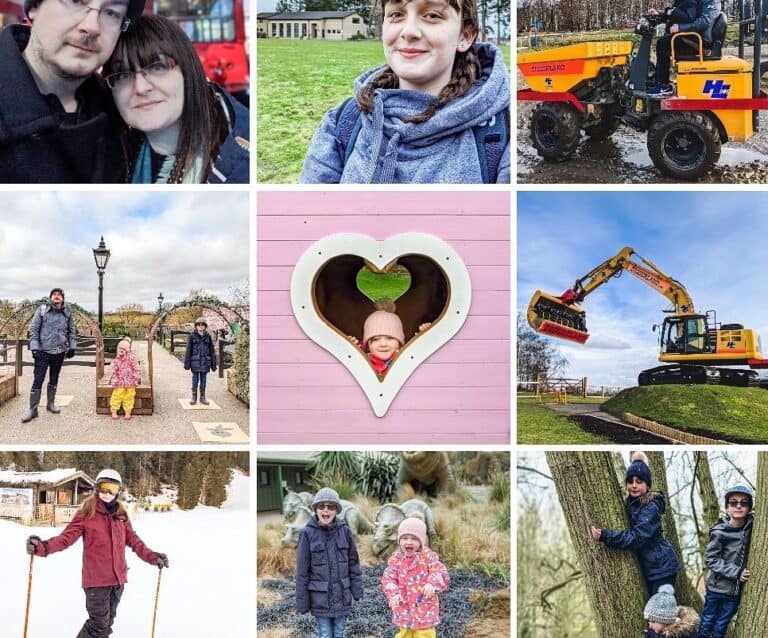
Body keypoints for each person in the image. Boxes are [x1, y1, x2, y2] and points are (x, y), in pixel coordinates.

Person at [299, 0, 510, 184]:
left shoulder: (502, 132)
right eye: (396, 14)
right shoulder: (341, 123)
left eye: (432, 15)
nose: (409, 31)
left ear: (465, 35)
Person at [0, 0, 145, 182]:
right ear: (35, 7)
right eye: (75, 2)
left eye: (112, 13)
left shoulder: (126, 121)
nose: (91, 27)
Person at [103, 14, 249, 183]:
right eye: (122, 75)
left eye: (157, 67)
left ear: (188, 71)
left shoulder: (246, 167)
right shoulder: (106, 160)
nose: (141, 87)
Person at [26, 469, 168, 638]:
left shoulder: (121, 515)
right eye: (104, 488)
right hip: (96, 582)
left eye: (112, 489)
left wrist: (153, 557)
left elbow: (134, 541)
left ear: (118, 491)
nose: (107, 493)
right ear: (97, 488)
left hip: (118, 582)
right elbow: (66, 538)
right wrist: (42, 547)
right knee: (98, 626)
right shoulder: (86, 513)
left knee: (106, 625)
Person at [590, 451, 680, 595]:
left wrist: (606, 536)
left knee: (660, 613)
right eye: (630, 481)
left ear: (647, 485)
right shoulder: (633, 504)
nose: (634, 486)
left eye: (639, 482)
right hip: (651, 568)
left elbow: (637, 538)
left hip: (661, 570)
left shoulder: (651, 507)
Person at [295, 487, 363, 638]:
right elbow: (302, 571)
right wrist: (302, 601)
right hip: (320, 598)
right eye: (321, 506)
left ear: (337, 510)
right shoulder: (307, 534)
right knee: (325, 634)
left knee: (339, 632)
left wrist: (357, 590)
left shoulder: (344, 531)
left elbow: (353, 563)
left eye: (330, 507)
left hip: (342, 596)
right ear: (316, 509)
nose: (326, 510)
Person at [699, 485, 754, 638]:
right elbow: (711, 559)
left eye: (744, 503)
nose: (738, 506)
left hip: (735, 592)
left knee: (720, 626)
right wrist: (736, 572)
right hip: (716, 589)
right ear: (727, 508)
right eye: (733, 502)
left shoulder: (752, 528)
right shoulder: (719, 531)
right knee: (707, 623)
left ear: (749, 508)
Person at [381, 516, 450, 638]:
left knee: (425, 635)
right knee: (404, 635)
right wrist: (393, 593)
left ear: (421, 541)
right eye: (404, 538)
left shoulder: (428, 557)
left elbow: (441, 573)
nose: (409, 542)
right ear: (399, 541)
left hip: (425, 611)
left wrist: (432, 583)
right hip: (403, 610)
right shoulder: (396, 560)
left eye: (414, 538)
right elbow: (388, 578)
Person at [22, 288, 77, 423]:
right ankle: (33, 409)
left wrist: (72, 346)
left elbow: (72, 332)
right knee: (38, 379)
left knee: (54, 378)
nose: (57, 297)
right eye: (54, 295)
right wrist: (34, 348)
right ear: (50, 297)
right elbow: (33, 330)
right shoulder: (42, 310)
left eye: (59, 295)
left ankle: (50, 404)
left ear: (63, 298)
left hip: (59, 352)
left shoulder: (67, 313)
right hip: (42, 352)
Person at [347, 300, 430, 376]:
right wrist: (351, 349)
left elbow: (420, 352)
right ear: (368, 345)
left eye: (390, 338)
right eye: (376, 339)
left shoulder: (406, 357)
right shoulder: (362, 360)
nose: (383, 344)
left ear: (399, 342)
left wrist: (426, 336)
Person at [647, 0, 698, 96]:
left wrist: (674, 11)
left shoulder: (690, 2)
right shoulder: (680, 2)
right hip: (684, 36)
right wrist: (659, 14)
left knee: (662, 44)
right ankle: (660, 80)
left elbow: (690, 18)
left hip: (689, 38)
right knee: (662, 43)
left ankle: (663, 85)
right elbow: (672, 16)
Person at [183, 316, 217, 405]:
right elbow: (188, 350)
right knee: (195, 379)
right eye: (199, 325)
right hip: (195, 362)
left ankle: (203, 397)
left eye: (202, 325)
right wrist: (187, 363)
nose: (200, 327)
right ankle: (194, 397)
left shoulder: (208, 337)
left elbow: (211, 351)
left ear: (205, 326)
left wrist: (213, 363)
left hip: (205, 362)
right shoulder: (192, 336)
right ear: (196, 326)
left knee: (204, 379)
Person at [109, 338, 141, 420]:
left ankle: (127, 412)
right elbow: (114, 370)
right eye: (120, 348)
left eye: (124, 349)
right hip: (120, 382)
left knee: (129, 397)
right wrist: (114, 380)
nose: (121, 350)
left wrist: (136, 378)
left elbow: (136, 368)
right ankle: (114, 411)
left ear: (128, 350)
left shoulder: (132, 359)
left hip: (130, 382)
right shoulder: (117, 360)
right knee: (117, 396)